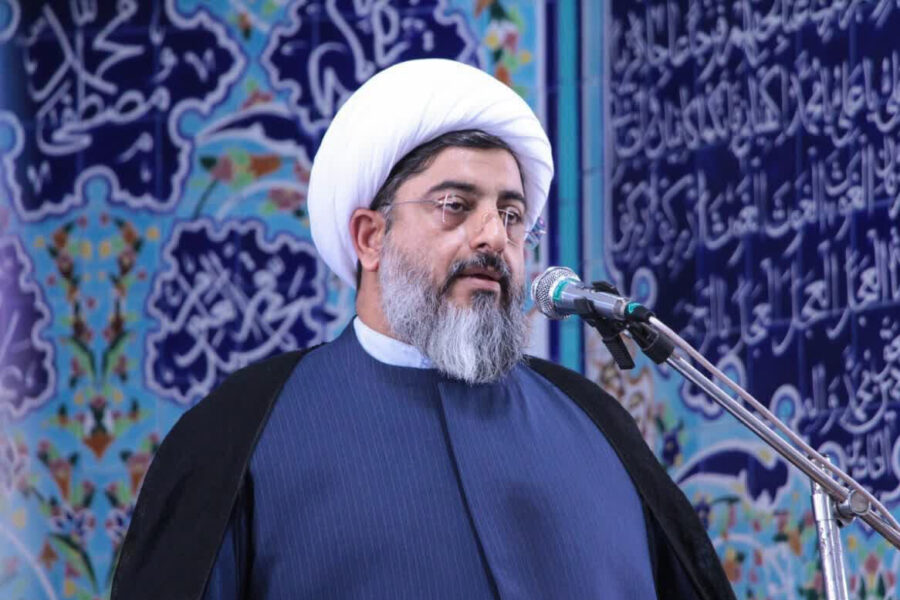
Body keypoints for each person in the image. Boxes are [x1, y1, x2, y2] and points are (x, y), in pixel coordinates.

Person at [111, 59, 734, 600]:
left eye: (512, 215)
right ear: (370, 237)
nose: (493, 237)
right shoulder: (242, 432)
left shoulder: (593, 422)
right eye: (455, 206)